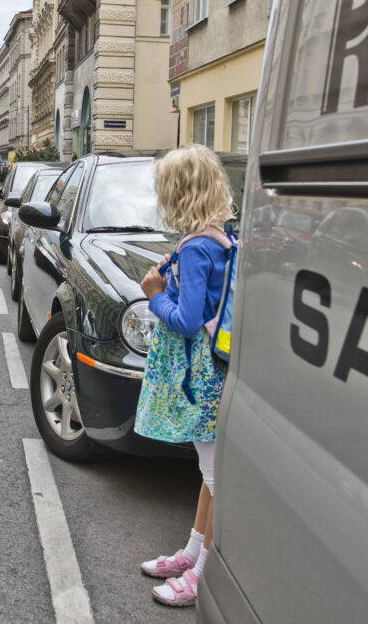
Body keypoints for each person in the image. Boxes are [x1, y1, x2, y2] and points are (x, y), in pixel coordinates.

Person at [134, 145, 236, 608]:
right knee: (207, 470)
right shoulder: (219, 238)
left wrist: (155, 295)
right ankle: (193, 551)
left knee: (216, 476)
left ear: (178, 194)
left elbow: (188, 320)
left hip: (198, 377)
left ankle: (204, 573)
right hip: (213, 370)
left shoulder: (196, 249)